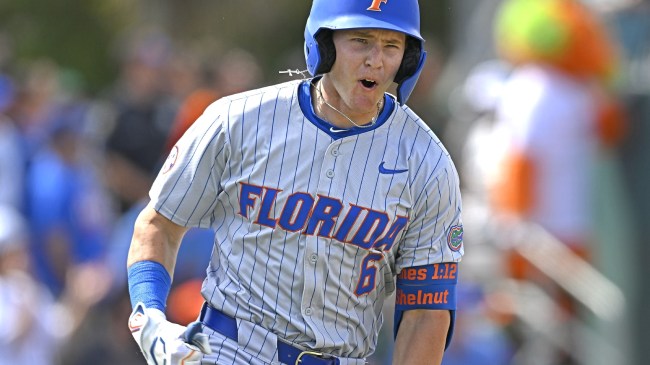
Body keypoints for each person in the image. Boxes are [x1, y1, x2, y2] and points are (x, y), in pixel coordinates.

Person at [126, 1, 464, 364]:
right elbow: (159, 223)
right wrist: (150, 316)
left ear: (409, 58)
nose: (376, 61)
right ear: (325, 43)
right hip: (227, 348)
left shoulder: (428, 165)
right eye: (361, 41)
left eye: (391, 46)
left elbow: (426, 311)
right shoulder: (237, 120)